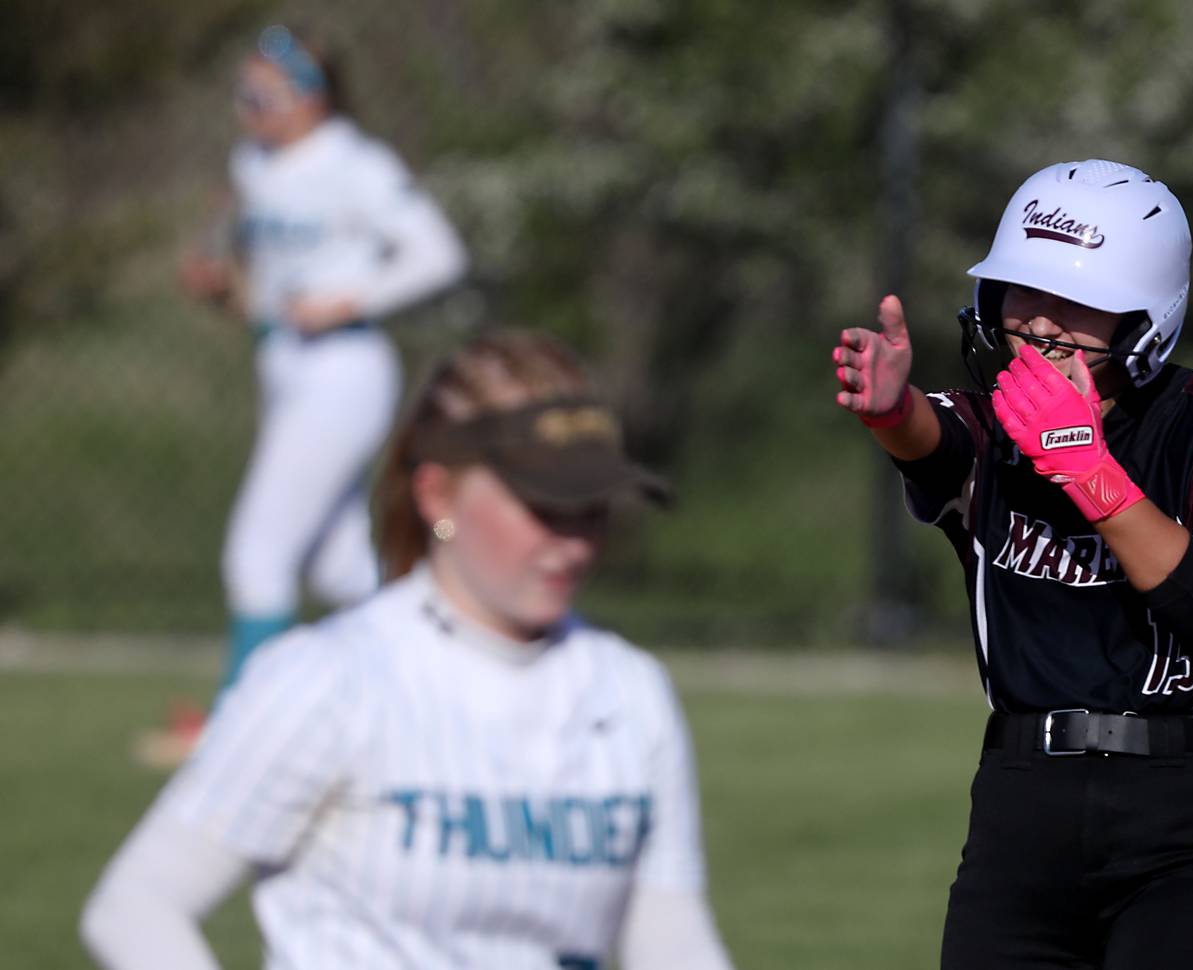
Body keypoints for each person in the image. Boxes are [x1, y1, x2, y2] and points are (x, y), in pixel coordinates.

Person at [82, 330, 736, 970]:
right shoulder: (329, 680)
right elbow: (137, 907)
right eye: (544, 505)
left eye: (590, 508)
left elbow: (672, 942)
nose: (572, 542)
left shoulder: (630, 692)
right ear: (436, 496)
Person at [831, 159, 1193, 969]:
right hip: (1023, 801)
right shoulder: (999, 421)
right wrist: (890, 408)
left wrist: (1088, 472)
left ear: (1146, 318)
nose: (1043, 325)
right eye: (1024, 294)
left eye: (1077, 303)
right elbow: (937, 437)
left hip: (1182, 812)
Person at [178, 24, 468, 697]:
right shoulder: (252, 165)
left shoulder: (355, 163)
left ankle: (239, 722)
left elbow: (439, 254)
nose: (249, 108)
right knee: (338, 568)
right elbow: (260, 289)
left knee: (257, 556)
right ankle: (425, 687)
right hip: (283, 366)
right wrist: (221, 287)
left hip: (343, 369)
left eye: (265, 94)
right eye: (243, 93)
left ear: (314, 97)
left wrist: (351, 299)